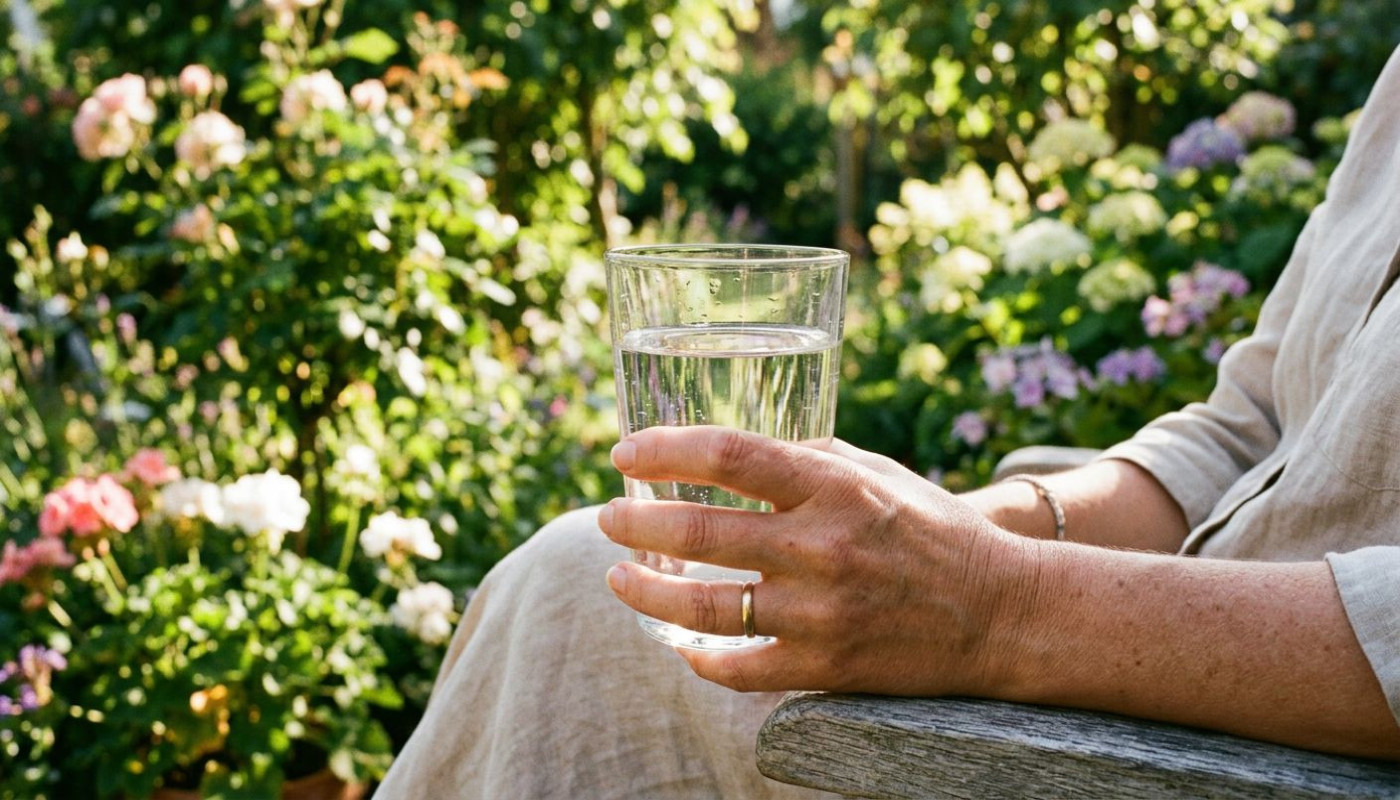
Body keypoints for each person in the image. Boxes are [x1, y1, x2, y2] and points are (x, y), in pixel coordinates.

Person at [376, 45, 1400, 798]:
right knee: (581, 577)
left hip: (1252, 752)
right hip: (1154, 653)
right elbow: (1244, 427)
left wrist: (997, 605)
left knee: (590, 603)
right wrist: (943, 534)